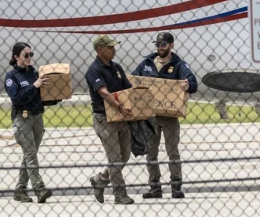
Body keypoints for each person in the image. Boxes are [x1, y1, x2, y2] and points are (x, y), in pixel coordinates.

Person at [132, 32, 198, 199]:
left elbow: (193, 82)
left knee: (172, 152)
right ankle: (155, 188)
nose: (160, 48)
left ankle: (176, 186)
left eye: (163, 44)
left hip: (169, 116)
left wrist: (187, 84)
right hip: (150, 116)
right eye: (158, 44)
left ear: (171, 45)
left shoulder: (179, 65)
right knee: (151, 153)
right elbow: (132, 80)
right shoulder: (147, 64)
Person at [85, 35, 135, 205]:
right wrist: (120, 107)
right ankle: (120, 194)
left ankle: (100, 179)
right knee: (114, 158)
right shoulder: (94, 70)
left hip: (121, 118)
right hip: (104, 119)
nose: (114, 50)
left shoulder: (116, 68)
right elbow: (104, 92)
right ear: (100, 50)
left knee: (125, 155)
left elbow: (128, 89)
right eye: (110, 47)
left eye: (114, 46)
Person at [5, 42, 52, 203]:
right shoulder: (11, 77)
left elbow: (42, 97)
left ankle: (20, 189)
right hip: (22, 118)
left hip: (38, 116)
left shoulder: (34, 74)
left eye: (31, 54)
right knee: (30, 153)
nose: (29, 58)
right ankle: (39, 188)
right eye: (26, 55)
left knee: (29, 155)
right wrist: (34, 86)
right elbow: (17, 99)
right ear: (16, 57)